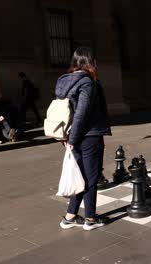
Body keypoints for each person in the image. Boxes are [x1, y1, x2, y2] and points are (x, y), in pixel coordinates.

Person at [55, 47, 111, 231]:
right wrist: (73, 138)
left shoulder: (64, 80)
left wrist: (67, 136)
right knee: (91, 177)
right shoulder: (88, 82)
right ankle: (90, 219)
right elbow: (81, 113)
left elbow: (64, 111)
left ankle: (70, 216)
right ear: (89, 61)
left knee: (80, 176)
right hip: (88, 135)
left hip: (71, 134)